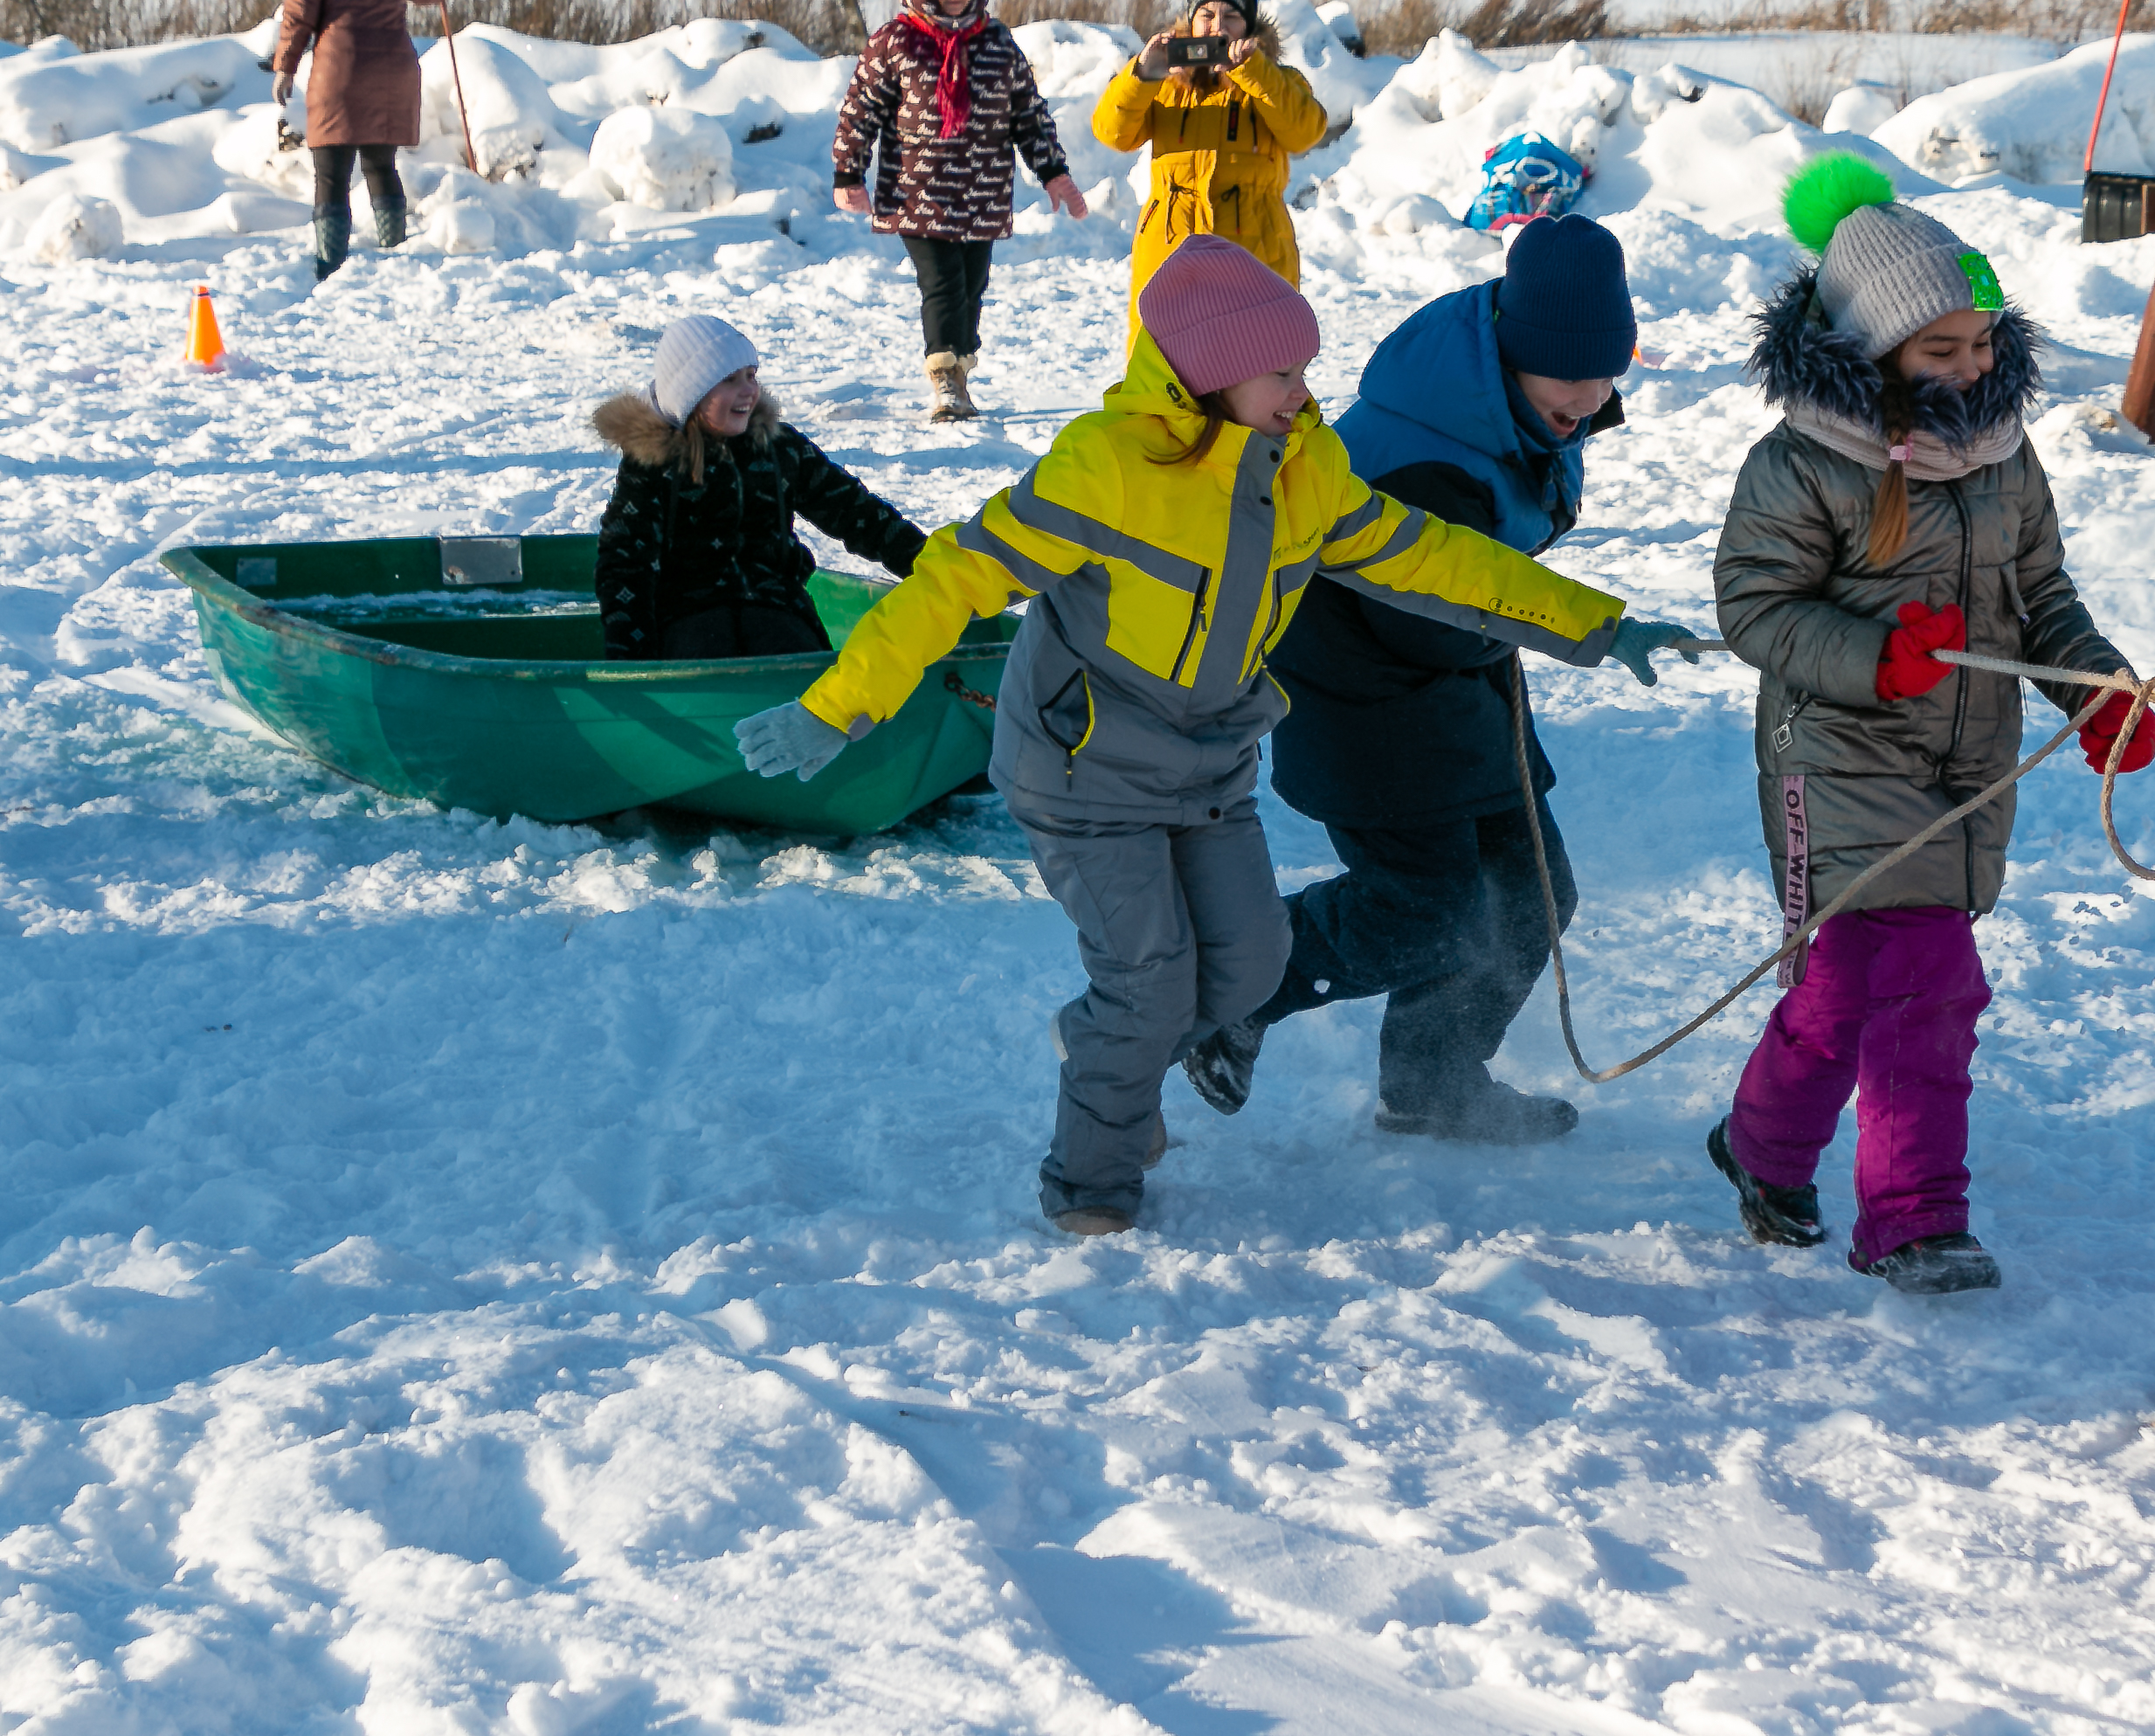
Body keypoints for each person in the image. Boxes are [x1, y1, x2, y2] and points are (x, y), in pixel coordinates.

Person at [732, 237, 1705, 1237]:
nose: (1302, 390)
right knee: (1151, 980)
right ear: (1207, 376)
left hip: (1208, 764)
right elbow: (954, 579)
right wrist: (836, 703)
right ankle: (1092, 1183)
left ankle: (1110, 1047)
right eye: (1280, 372)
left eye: (1303, 367)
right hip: (1083, 762)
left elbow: (1436, 560)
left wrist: (1596, 622)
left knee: (1247, 965)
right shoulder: (1105, 469)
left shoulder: (1305, 470)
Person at [1701, 154, 2154, 1297]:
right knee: (1922, 982)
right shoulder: (1801, 462)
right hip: (1834, 756)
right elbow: (1755, 604)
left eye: (1982, 341)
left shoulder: (2005, 458)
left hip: (1961, 769)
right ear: (1873, 350)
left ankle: (1757, 1144)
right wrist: (1875, 659)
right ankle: (1911, 1220)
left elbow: (2041, 600)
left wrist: (2094, 690)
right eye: (1939, 349)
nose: (1971, 366)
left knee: (1849, 991)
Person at [1185, 213, 1645, 1145]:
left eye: (1608, 373)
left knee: (1534, 891)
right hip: (1361, 693)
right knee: (1427, 908)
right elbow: (1425, 621)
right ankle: (1228, 988)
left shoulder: (1516, 402)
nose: (1591, 397)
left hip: (1459, 683)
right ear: (1516, 354)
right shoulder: (1435, 453)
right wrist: (1545, 623)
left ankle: (1432, 1080)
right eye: (1572, 374)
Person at [832, 0, 1088, 423]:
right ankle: (946, 380)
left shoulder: (996, 43)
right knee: (944, 283)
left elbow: (1028, 116)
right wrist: (849, 171)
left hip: (984, 195)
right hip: (917, 194)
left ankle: (960, 370)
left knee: (972, 287)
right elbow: (859, 111)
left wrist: (1054, 173)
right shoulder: (897, 41)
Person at [591, 315, 931, 660]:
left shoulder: (779, 448)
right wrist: (632, 663)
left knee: (799, 667)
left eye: (751, 375)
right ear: (689, 395)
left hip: (778, 608)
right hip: (687, 618)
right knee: (708, 653)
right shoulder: (654, 466)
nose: (748, 391)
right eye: (729, 380)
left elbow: (855, 512)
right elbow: (626, 563)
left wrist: (932, 565)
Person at [1090, 0, 1328, 307]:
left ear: (1248, 24)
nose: (1218, 27)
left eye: (1231, 16)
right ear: (1191, 23)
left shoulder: (1277, 79)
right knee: (1165, 358)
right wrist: (1141, 75)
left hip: (1255, 257)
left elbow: (1305, 132)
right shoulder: (1165, 85)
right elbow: (1111, 132)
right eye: (1207, 15)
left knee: (1256, 355)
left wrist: (1253, 70)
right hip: (1170, 254)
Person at [273, 0, 449, 281]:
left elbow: (298, 17)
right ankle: (393, 251)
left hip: (340, 78)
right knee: (382, 166)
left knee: (332, 174)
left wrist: (285, 67)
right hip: (392, 78)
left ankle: (330, 262)